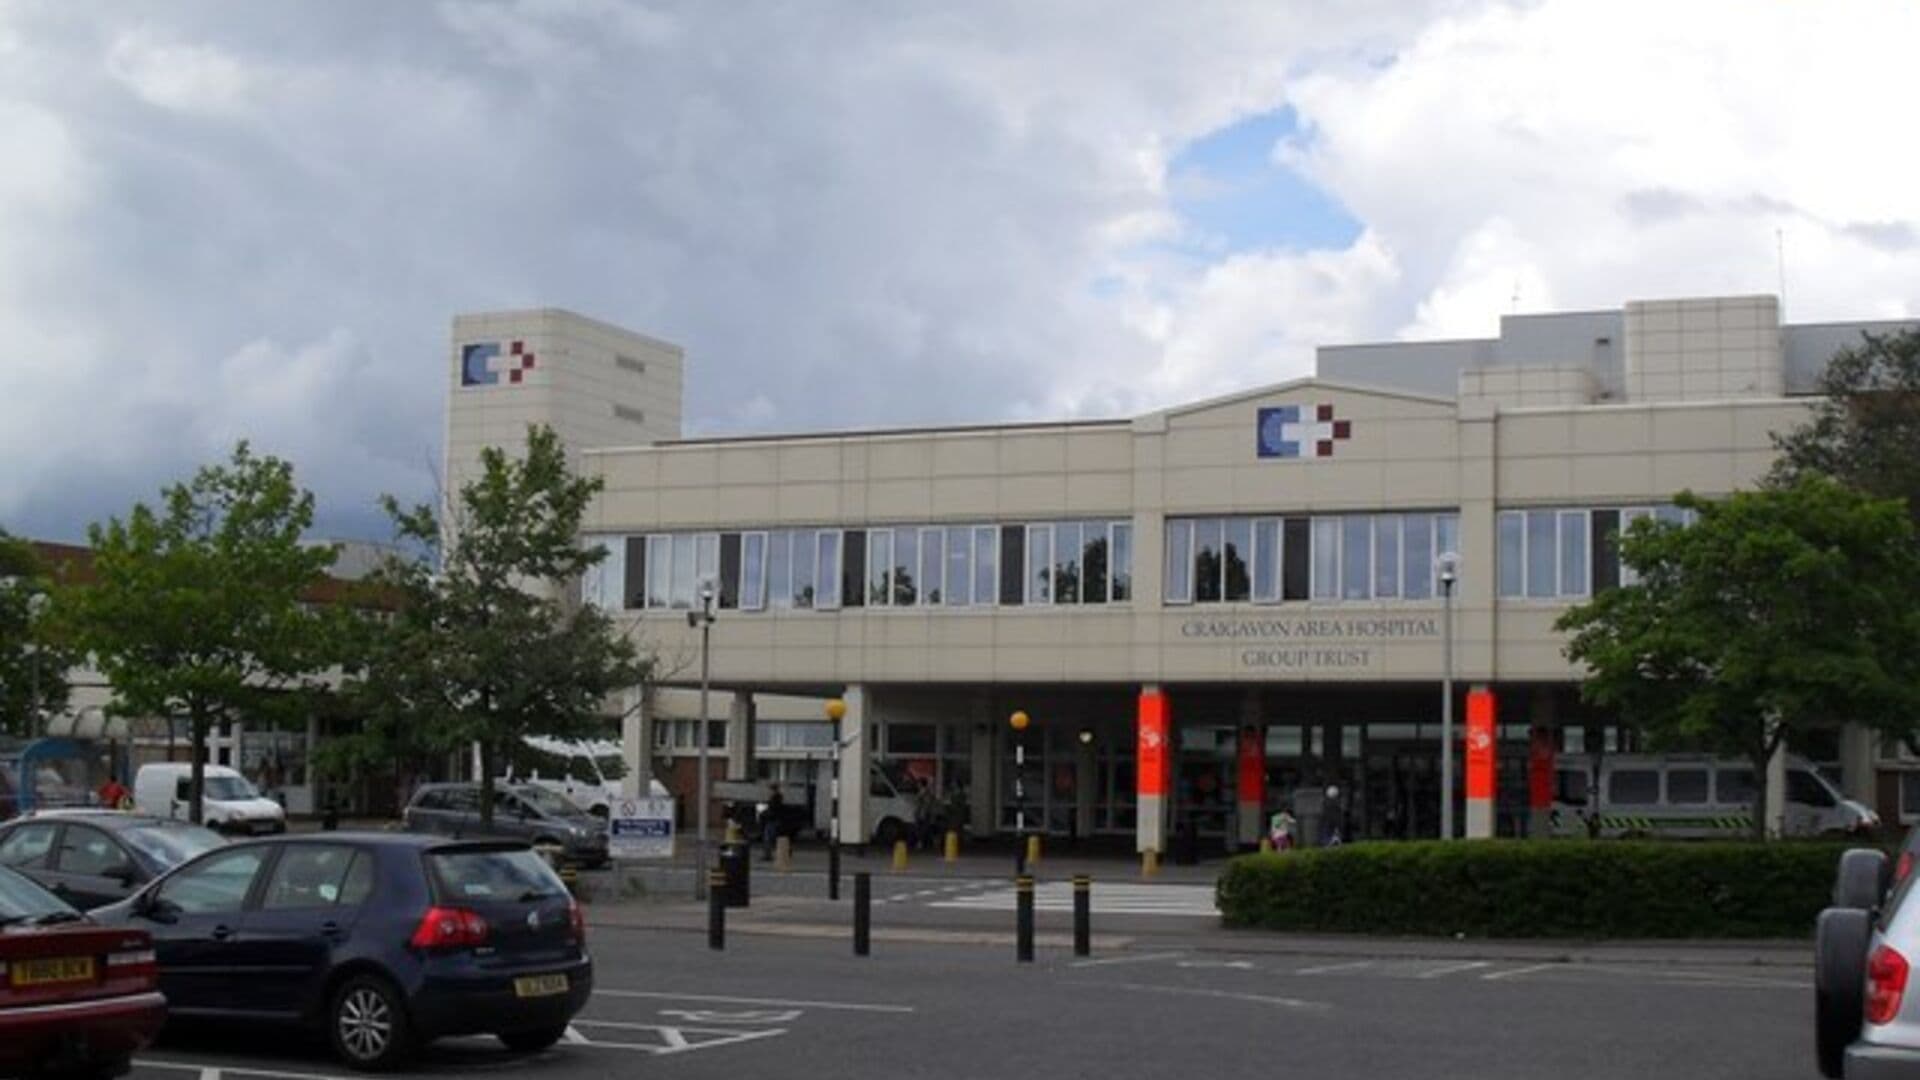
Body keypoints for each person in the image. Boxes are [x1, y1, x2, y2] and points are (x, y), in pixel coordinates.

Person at [760, 782, 784, 861]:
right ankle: (769, 854)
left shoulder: (775, 798)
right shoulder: (777, 797)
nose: (769, 791)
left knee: (768, 838)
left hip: (772, 820)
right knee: (772, 838)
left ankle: (768, 855)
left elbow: (773, 809)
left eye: (771, 790)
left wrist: (765, 813)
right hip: (774, 819)